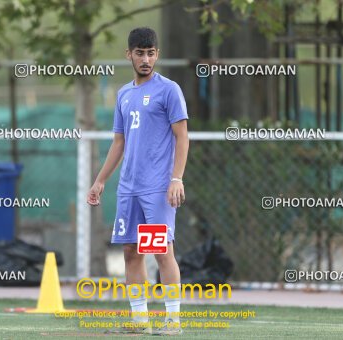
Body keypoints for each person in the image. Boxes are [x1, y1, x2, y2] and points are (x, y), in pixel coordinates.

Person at [86, 27, 189, 336]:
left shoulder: (169, 90)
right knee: (131, 252)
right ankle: (139, 320)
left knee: (161, 251)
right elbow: (119, 142)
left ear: (156, 54)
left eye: (151, 53)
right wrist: (100, 180)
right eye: (140, 53)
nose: (146, 59)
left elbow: (182, 137)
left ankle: (173, 321)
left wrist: (176, 178)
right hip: (128, 188)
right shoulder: (123, 94)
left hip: (156, 188)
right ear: (128, 54)